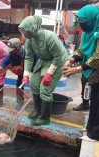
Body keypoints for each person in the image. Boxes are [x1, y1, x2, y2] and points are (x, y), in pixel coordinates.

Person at [19, 15, 68, 126]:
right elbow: (29, 57)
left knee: (45, 89)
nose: (24, 34)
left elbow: (58, 56)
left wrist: (49, 73)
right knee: (34, 84)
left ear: (33, 28)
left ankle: (45, 117)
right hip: (44, 60)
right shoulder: (30, 40)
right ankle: (38, 109)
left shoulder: (50, 37)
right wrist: (26, 73)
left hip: (58, 61)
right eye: (22, 31)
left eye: (25, 31)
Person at [63, 5, 99, 141]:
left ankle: (95, 134)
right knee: (93, 100)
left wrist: (78, 69)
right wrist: (70, 60)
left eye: (82, 21)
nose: (80, 24)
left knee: (98, 101)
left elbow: (98, 56)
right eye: (78, 21)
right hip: (93, 71)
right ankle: (90, 127)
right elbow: (81, 50)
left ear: (91, 19)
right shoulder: (89, 32)